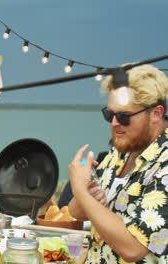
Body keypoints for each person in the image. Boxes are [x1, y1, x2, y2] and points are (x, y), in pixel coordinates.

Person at [68, 64, 168, 263]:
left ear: (156, 113)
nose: (114, 123)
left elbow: (133, 247)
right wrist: (85, 195)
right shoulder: (122, 150)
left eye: (124, 116)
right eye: (109, 114)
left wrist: (80, 191)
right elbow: (77, 212)